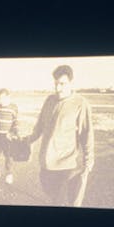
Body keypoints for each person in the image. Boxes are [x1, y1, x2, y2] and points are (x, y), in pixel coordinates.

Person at [23, 65, 94, 206]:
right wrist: (27, 140)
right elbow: (39, 127)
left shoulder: (80, 103)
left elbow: (87, 134)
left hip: (67, 165)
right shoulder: (49, 100)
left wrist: (88, 162)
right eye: (56, 84)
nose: (58, 88)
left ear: (71, 83)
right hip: (46, 163)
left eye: (62, 84)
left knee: (64, 202)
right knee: (53, 196)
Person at [0, 88, 19, 184]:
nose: (1, 100)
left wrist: (14, 133)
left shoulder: (13, 108)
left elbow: (16, 123)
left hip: (8, 136)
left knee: (8, 156)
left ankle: (9, 174)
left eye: (3, 98)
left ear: (8, 97)